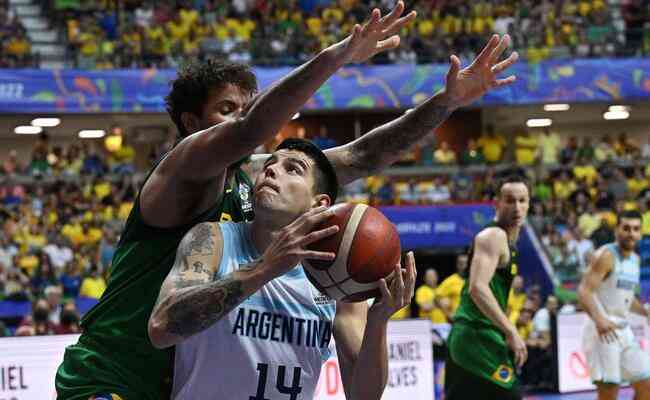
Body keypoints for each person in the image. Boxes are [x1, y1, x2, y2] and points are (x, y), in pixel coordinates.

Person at [56, 3, 519, 397]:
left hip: (168, 384)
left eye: (248, 105)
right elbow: (251, 129)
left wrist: (446, 103)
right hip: (109, 373)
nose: (245, 118)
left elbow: (365, 153)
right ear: (192, 122)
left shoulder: (262, 186)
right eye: (228, 109)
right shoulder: (183, 172)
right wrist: (339, 55)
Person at [148, 138, 417, 399]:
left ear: (319, 203)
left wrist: (378, 320)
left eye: (293, 169)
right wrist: (265, 268)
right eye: (271, 164)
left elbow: (364, 396)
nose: (272, 169)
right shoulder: (212, 239)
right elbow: (161, 328)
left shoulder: (334, 276)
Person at [445, 175, 530, 400]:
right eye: (510, 201)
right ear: (497, 203)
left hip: (475, 335)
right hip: (476, 334)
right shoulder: (493, 236)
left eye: (523, 200)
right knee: (511, 395)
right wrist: (510, 330)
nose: (517, 207)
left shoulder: (509, 243)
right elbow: (477, 287)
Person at [577, 210, 650, 400]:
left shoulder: (635, 260)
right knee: (609, 393)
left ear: (640, 233)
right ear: (617, 230)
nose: (631, 233)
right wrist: (599, 319)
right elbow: (584, 291)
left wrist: (644, 312)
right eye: (626, 228)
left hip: (623, 331)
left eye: (635, 229)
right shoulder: (605, 255)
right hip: (602, 332)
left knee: (646, 385)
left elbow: (626, 298)